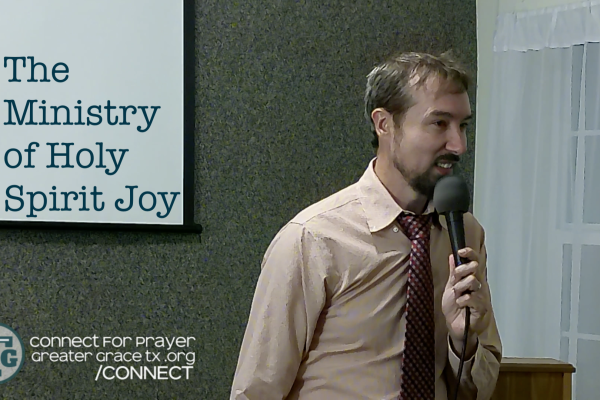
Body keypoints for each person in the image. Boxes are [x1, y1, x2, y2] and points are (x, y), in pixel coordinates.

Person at [230, 51, 502, 400]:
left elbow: (479, 389)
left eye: (463, 126)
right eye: (439, 123)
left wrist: (464, 342)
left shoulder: (464, 233)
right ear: (384, 124)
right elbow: (256, 391)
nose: (459, 145)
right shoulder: (312, 239)